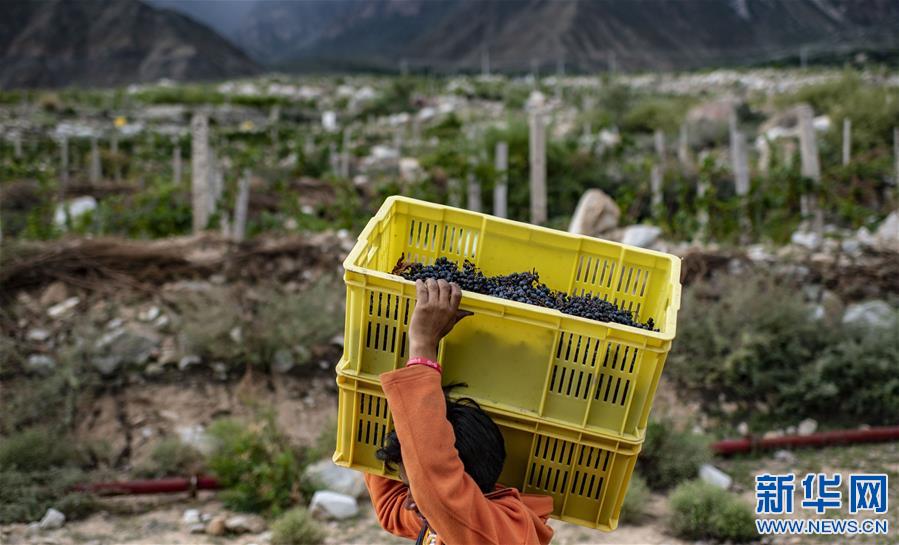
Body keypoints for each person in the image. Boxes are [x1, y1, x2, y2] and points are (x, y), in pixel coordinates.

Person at [363, 278, 555, 545]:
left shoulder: (499, 537)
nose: (408, 503)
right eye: (411, 485)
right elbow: (392, 506)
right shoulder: (460, 524)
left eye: (414, 486)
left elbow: (433, 479)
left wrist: (423, 346)